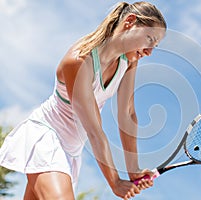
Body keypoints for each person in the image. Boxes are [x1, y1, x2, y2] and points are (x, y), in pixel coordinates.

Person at [0, 1, 167, 199]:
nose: (149, 52)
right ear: (130, 22)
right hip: (47, 137)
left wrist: (133, 170)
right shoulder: (79, 61)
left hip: (71, 151)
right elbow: (94, 129)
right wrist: (114, 181)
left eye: (154, 46)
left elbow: (127, 114)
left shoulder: (128, 61)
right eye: (149, 39)